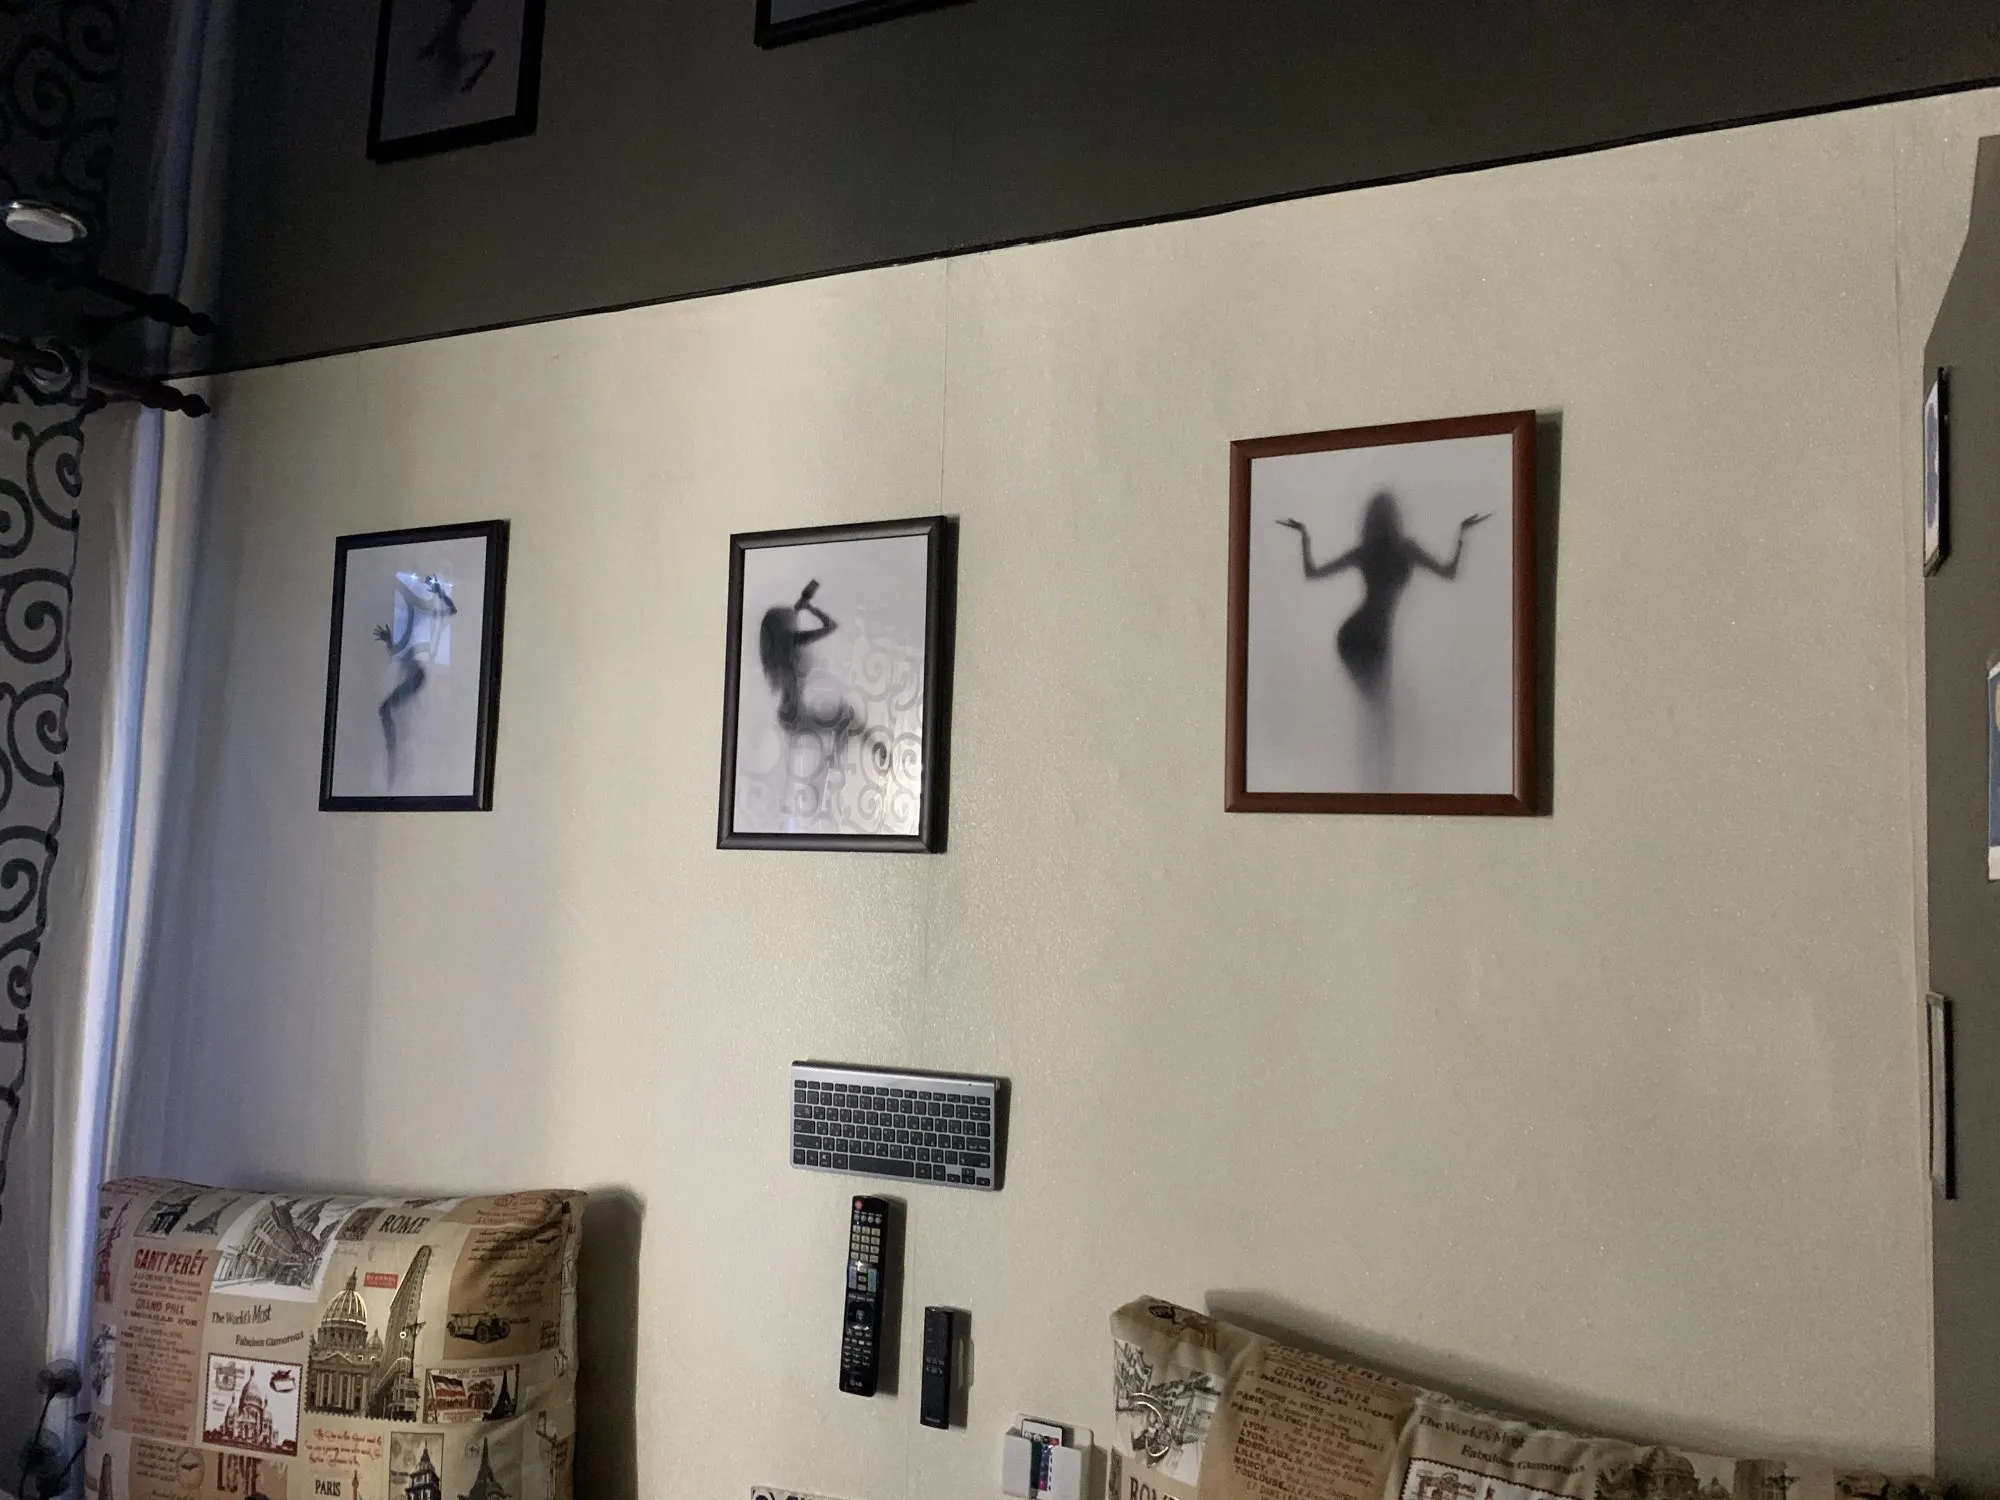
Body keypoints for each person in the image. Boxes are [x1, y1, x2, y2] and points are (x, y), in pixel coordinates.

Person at [1276, 491, 1487, 699]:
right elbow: (1449, 572)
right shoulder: (1406, 549)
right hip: (1373, 637)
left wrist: (1304, 536)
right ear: (1395, 518)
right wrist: (1462, 534)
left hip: (1353, 634)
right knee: (1379, 702)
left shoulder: (1365, 551)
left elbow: (1312, 573)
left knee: (1376, 702)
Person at [374, 571, 458, 787]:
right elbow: (400, 653)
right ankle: (394, 759)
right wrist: (388, 641)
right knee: (392, 713)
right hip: (413, 674)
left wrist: (440, 592)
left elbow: (451, 610)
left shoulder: (421, 615)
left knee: (387, 711)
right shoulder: (405, 623)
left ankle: (393, 759)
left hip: (416, 675)